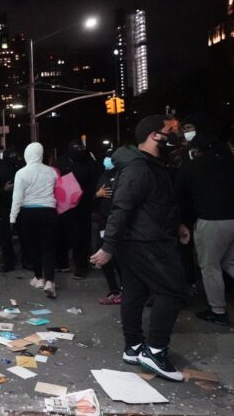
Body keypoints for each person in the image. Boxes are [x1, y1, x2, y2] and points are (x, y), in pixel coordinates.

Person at [91, 115, 189, 382]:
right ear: (155, 136)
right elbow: (122, 207)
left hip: (146, 237)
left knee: (134, 291)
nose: (176, 135)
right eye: (172, 131)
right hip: (146, 241)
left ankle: (134, 347)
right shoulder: (139, 167)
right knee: (173, 290)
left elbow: (156, 201)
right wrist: (108, 246)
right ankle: (155, 351)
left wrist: (177, 223)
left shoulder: (151, 164)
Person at [176, 134, 234, 326]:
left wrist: (182, 222)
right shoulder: (229, 162)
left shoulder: (192, 166)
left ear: (196, 150)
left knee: (210, 267)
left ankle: (217, 310)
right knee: (230, 263)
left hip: (211, 220)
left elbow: (179, 195)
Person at [10, 142, 58, 298]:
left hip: (29, 213)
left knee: (34, 247)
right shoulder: (51, 172)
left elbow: (17, 198)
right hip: (49, 211)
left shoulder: (21, 173)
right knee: (48, 247)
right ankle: (50, 281)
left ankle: (39, 278)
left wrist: (12, 218)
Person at [55, 139, 101, 279]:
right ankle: (62, 262)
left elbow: (95, 183)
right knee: (62, 234)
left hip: (83, 205)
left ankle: (81, 265)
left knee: (81, 237)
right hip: (64, 205)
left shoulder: (90, 163)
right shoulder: (61, 162)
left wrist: (82, 193)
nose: (78, 152)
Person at [94, 149, 121, 305]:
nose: (107, 160)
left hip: (117, 221)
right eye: (106, 157)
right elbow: (94, 199)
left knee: (119, 257)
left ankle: (124, 290)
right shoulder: (103, 174)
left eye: (110, 158)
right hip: (104, 221)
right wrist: (97, 195)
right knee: (103, 256)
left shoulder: (122, 174)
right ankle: (114, 290)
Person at [0, 149, 20, 272]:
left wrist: (4, 190)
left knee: (5, 236)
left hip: (4, 208)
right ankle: (25, 260)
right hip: (18, 207)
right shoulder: (20, 172)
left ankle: (9, 262)